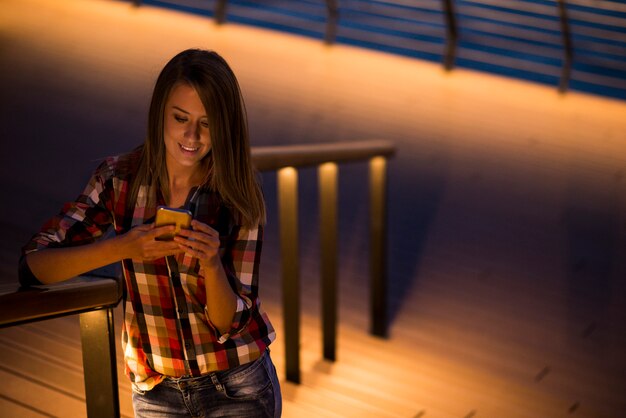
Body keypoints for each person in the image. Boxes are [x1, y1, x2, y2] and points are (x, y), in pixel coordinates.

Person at [19, 49, 282, 418]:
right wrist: (122, 247)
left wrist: (211, 264)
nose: (192, 135)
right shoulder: (118, 178)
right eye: (180, 118)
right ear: (159, 112)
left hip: (237, 387)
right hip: (158, 395)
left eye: (207, 123)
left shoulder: (236, 193)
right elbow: (33, 266)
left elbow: (230, 323)